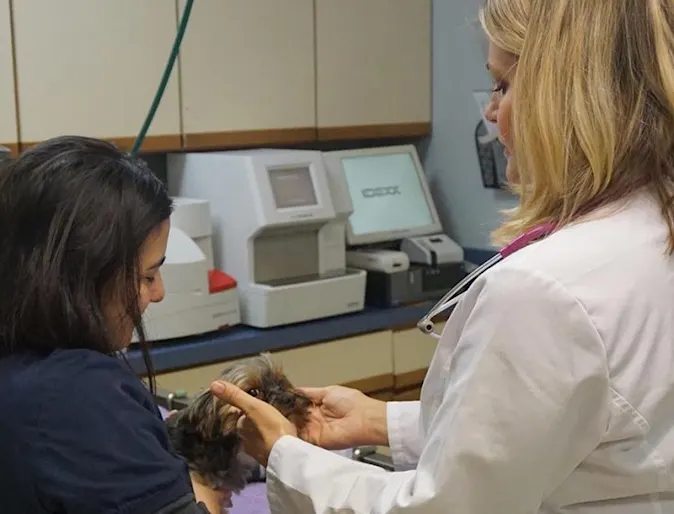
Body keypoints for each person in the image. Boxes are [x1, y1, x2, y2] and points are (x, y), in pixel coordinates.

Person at [210, 0, 674, 512]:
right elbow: (583, 432)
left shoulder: (544, 291)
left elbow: (445, 506)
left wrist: (286, 455)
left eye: (503, 85)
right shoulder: (650, 237)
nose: (491, 111)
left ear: (562, 95)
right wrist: (381, 422)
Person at [0, 136, 228, 513]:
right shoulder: (78, 393)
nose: (158, 294)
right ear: (84, 273)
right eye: (147, 276)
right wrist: (205, 492)